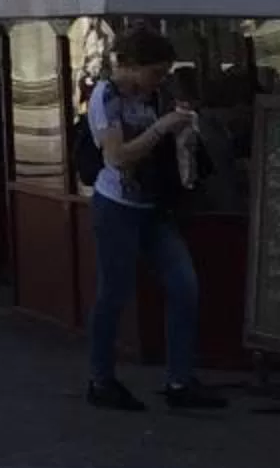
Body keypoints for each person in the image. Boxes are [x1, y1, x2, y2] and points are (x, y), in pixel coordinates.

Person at [85, 25, 226, 411]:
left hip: (155, 206)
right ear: (130, 65)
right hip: (117, 206)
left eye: (163, 74)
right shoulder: (107, 96)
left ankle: (180, 379)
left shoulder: (157, 95)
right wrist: (162, 127)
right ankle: (102, 379)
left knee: (184, 286)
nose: (158, 81)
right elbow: (117, 156)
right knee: (113, 293)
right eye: (154, 72)